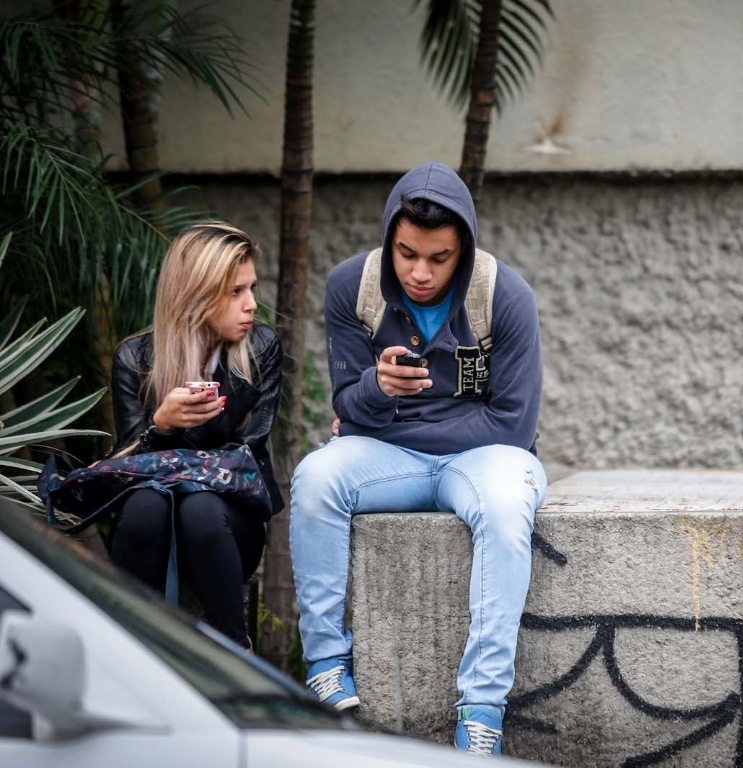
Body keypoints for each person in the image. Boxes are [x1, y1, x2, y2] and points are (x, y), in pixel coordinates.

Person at [290, 161, 546, 755]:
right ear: (389, 240)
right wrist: (377, 393)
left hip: (487, 462)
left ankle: (481, 711)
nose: (420, 272)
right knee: (316, 476)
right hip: (394, 457)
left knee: (508, 509)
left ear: (464, 249)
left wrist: (377, 418)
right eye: (406, 254)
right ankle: (326, 664)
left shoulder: (503, 295)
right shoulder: (351, 286)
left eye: (439, 257)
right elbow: (346, 401)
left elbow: (512, 425)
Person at [108, 221, 283, 651]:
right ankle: (128, 647)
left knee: (201, 508)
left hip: (228, 523)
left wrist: (193, 436)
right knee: (146, 505)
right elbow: (124, 470)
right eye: (235, 292)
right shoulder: (135, 358)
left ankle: (233, 648)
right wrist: (161, 426)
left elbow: (248, 456)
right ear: (196, 295)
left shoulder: (260, 350)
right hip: (155, 522)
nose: (252, 305)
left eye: (251, 288)